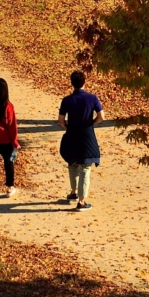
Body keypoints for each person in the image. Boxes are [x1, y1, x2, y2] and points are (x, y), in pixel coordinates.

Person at [58, 71, 102, 211]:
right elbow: (101, 116)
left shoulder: (67, 100)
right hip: (87, 135)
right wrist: (91, 123)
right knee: (85, 167)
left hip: (72, 134)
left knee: (73, 163)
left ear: (72, 83)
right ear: (84, 82)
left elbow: (61, 120)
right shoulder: (92, 98)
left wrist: (67, 127)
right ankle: (81, 202)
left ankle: (74, 192)